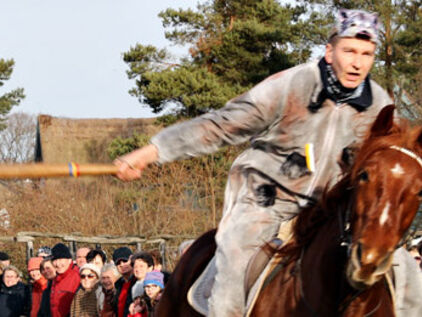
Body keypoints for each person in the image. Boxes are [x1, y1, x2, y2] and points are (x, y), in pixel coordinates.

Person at [115, 8, 392, 316]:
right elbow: (220, 125)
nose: (357, 62)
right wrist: (152, 152)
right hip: (266, 198)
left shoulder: (380, 107)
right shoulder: (291, 85)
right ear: (329, 52)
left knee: (402, 267)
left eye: (367, 53)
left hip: (329, 209)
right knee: (235, 257)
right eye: (349, 50)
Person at [49, 243, 80, 317]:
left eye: (60, 259)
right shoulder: (54, 279)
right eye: (55, 260)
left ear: (69, 260)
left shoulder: (77, 277)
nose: (57, 264)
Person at [112, 247, 136, 317]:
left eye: (125, 261)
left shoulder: (138, 282)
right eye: (118, 263)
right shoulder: (117, 284)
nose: (122, 264)